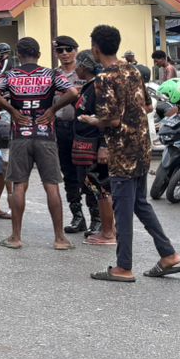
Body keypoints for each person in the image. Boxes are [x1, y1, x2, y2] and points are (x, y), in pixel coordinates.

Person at [81, 23, 180, 284]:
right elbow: (148, 107)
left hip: (122, 151)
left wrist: (92, 120)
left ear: (95, 48)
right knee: (139, 203)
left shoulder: (104, 78)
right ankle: (168, 254)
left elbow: (110, 119)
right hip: (141, 146)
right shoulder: (133, 71)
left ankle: (123, 266)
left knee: (124, 208)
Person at [0, 37, 77, 250]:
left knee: (19, 185)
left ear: (18, 54)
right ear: (39, 54)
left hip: (20, 135)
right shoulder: (50, 74)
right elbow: (72, 92)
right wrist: (52, 110)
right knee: (51, 186)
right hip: (46, 135)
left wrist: (13, 111)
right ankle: (60, 239)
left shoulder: (11, 75)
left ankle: (15, 238)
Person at [73, 51, 117, 245]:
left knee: (101, 187)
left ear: (83, 66)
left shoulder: (98, 87)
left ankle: (108, 231)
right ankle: (107, 228)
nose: (75, 68)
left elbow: (105, 119)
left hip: (95, 145)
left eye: (77, 64)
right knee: (93, 185)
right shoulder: (90, 86)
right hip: (86, 143)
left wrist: (103, 145)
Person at [51, 35, 88, 234]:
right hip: (61, 127)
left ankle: (97, 217)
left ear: (76, 50)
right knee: (68, 173)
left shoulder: (85, 71)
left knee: (88, 173)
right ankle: (77, 216)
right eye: (60, 50)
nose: (64, 54)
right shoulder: (53, 75)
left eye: (68, 49)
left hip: (83, 127)